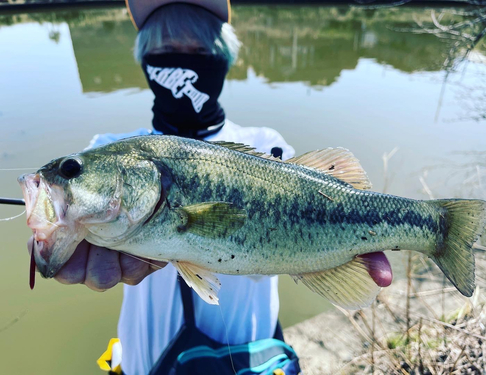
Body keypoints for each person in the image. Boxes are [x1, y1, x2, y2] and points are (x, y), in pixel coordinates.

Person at [51, 1, 301, 374]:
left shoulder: (267, 149)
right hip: (146, 360)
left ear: (223, 59)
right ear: (146, 60)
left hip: (250, 358)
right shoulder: (107, 150)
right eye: (166, 51)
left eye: (199, 51)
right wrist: (57, 235)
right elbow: (64, 214)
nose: (183, 63)